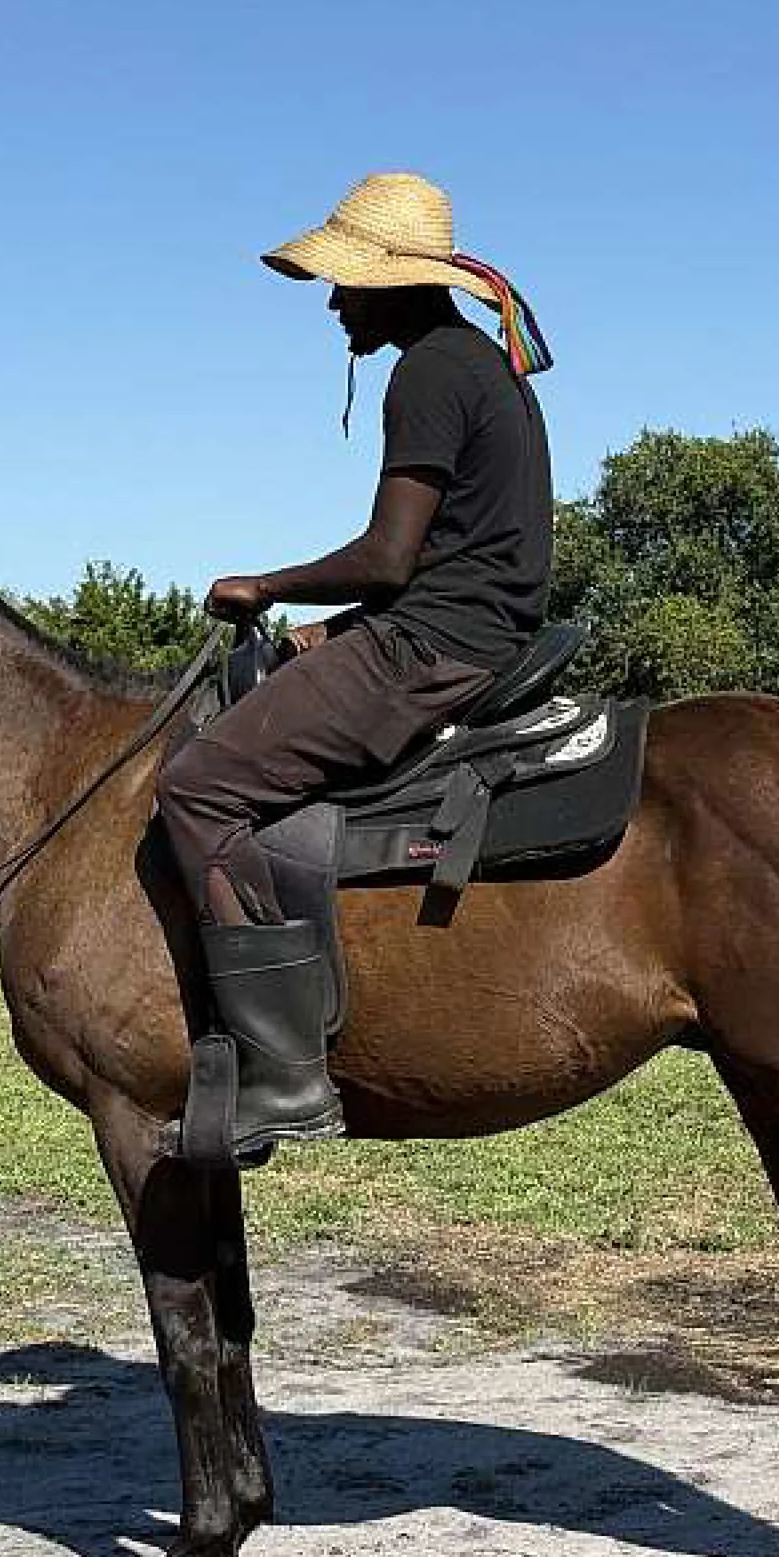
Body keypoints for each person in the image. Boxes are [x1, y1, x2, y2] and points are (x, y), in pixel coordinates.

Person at [156, 171, 555, 1160]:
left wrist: (266, 586)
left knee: (196, 785)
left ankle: (285, 1071)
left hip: (431, 649)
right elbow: (455, 555)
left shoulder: (427, 373)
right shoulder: (478, 365)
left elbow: (387, 558)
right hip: (466, 630)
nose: (335, 302)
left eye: (347, 283)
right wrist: (324, 635)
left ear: (392, 283)